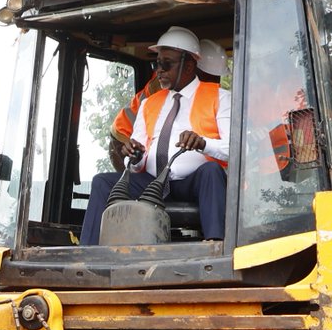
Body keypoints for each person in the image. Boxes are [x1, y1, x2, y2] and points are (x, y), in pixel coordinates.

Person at [81, 27, 231, 244]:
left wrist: (202, 142)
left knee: (211, 170)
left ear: (189, 65)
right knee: (102, 182)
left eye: (166, 64)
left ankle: (216, 244)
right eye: (156, 63)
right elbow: (137, 163)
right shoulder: (149, 103)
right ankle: (88, 253)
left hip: (193, 182)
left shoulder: (220, 97)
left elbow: (232, 150)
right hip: (152, 183)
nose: (159, 70)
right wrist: (133, 155)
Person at [106, 39, 229, 170]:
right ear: (192, 68)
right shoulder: (165, 87)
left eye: (217, 78)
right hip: (122, 136)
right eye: (209, 77)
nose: (214, 83)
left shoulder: (212, 95)